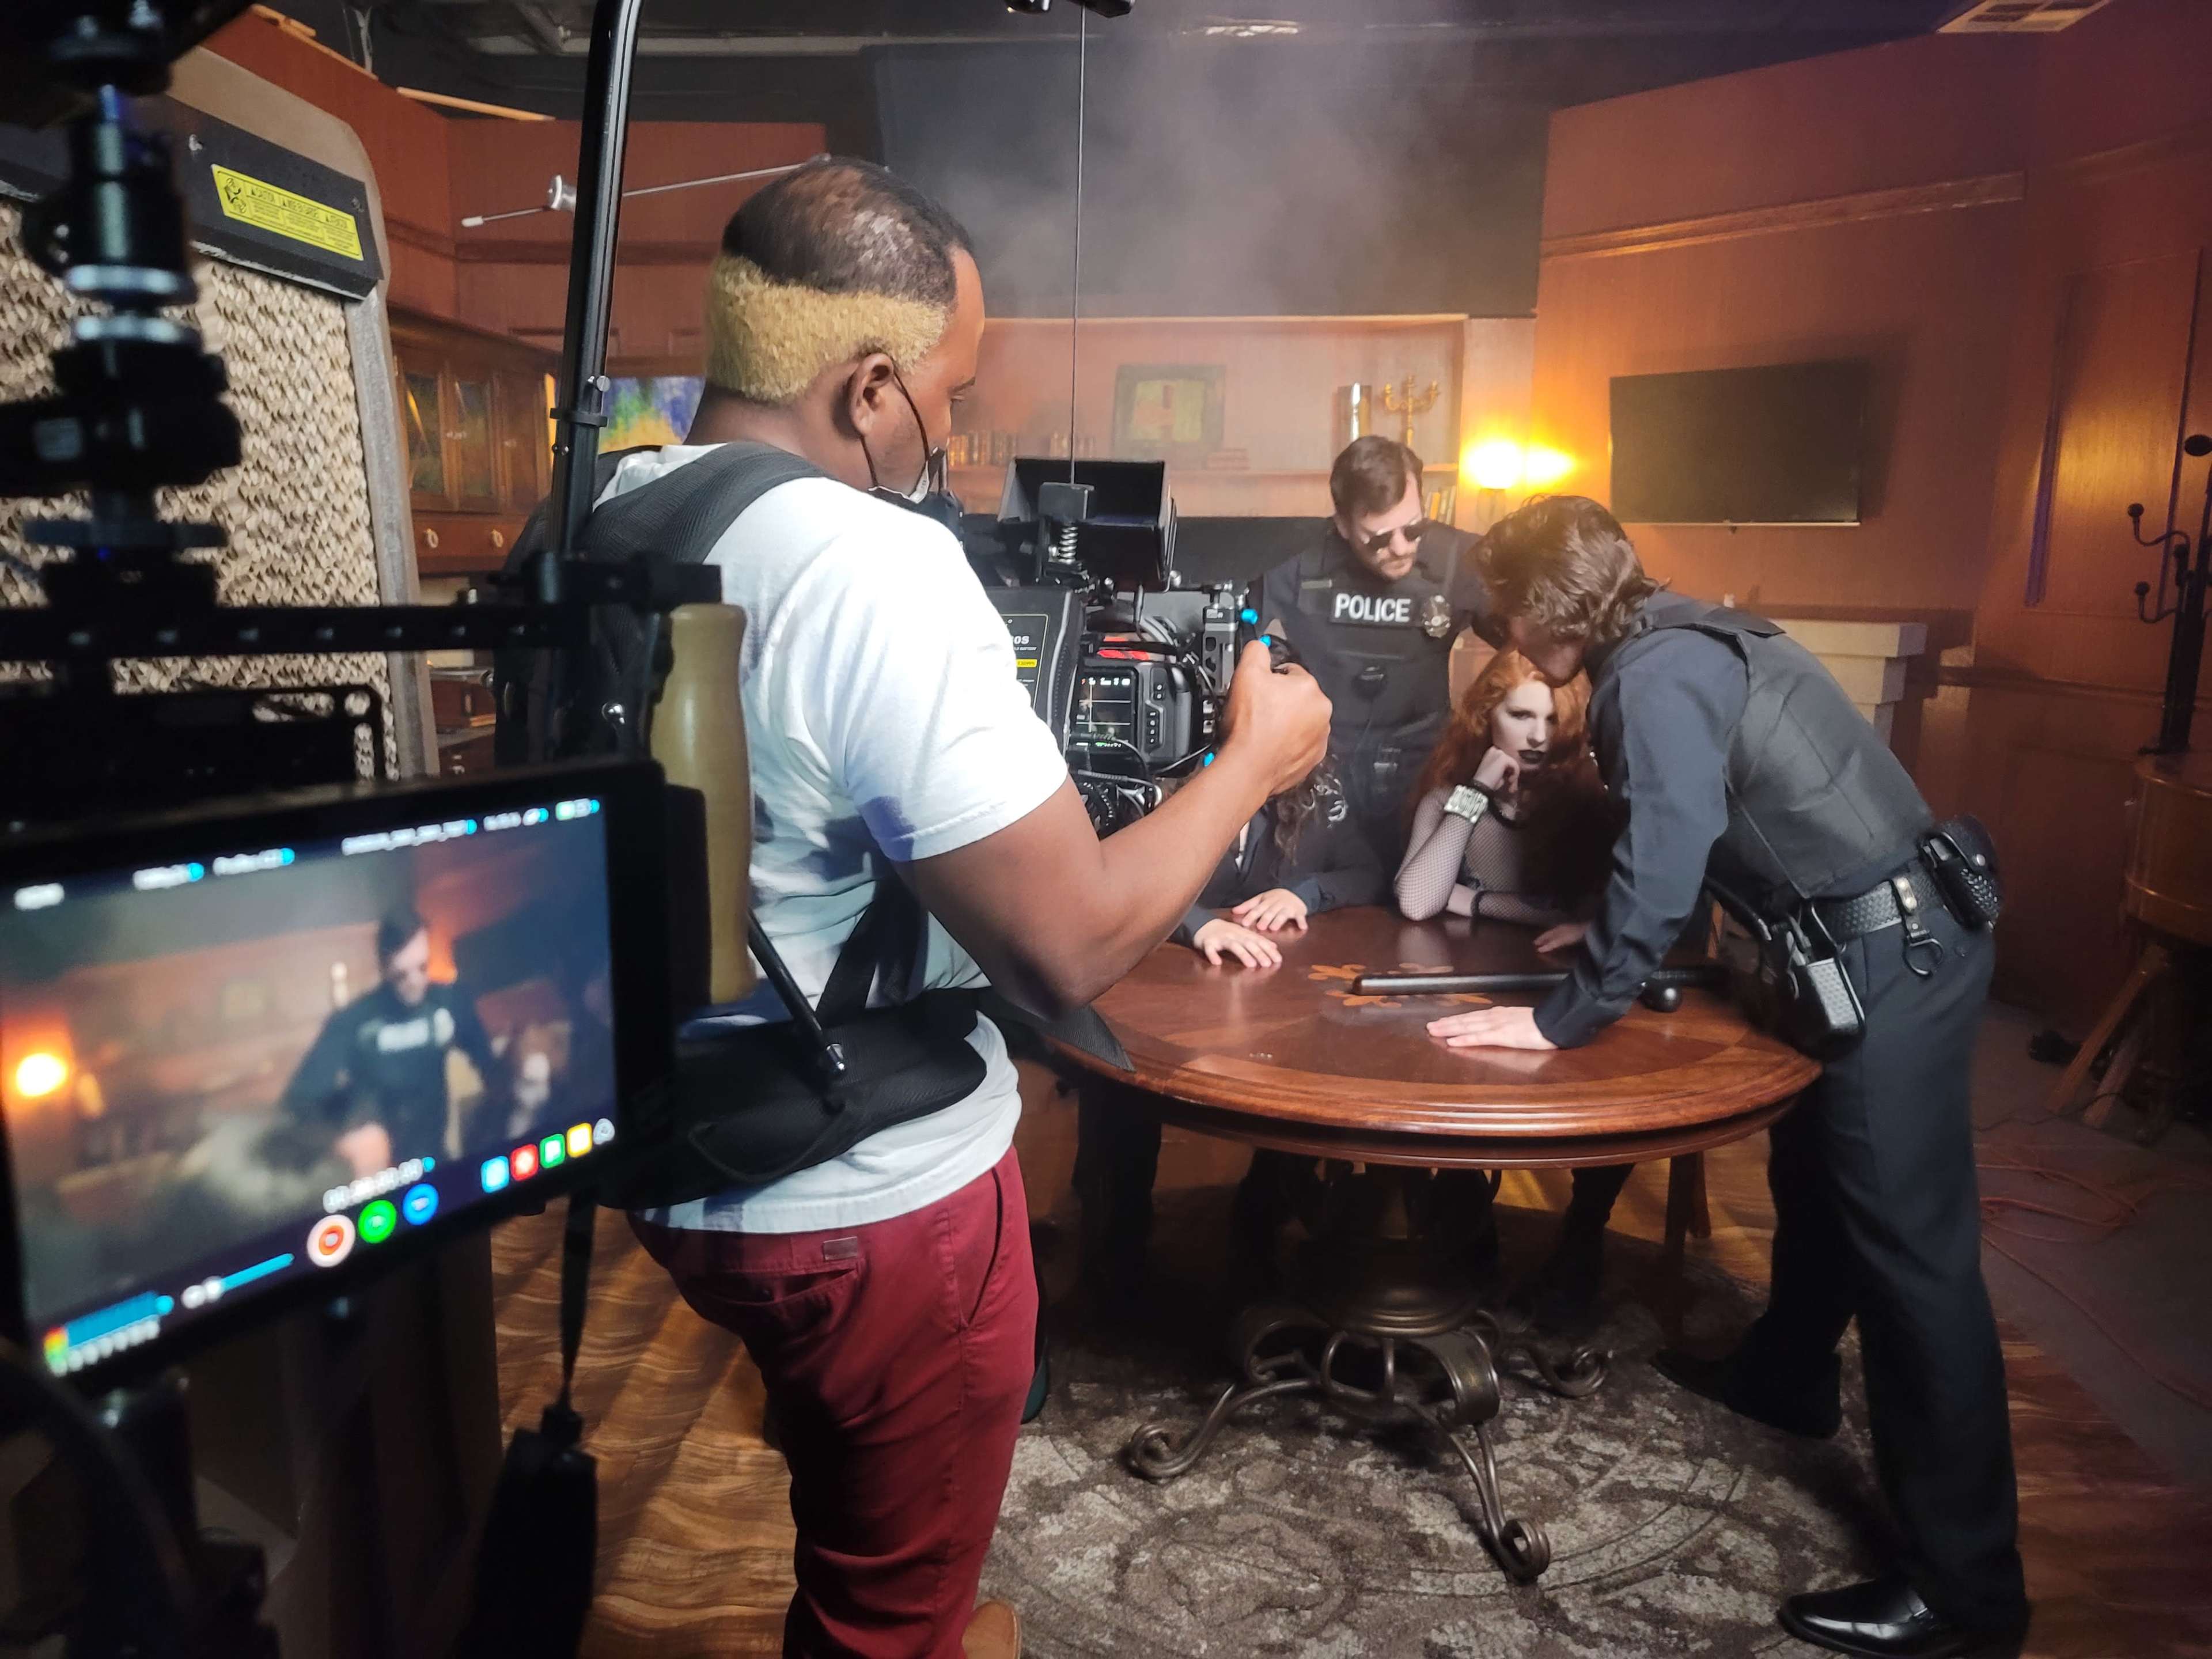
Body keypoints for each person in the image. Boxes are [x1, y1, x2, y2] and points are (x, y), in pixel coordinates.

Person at [617, 159, 1330, 1659]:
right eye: (954, 390)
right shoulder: (875, 565)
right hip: (873, 1206)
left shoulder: (617, 512)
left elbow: (785, 838)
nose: (958, 429)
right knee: (892, 1617)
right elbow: (1063, 940)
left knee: (858, 1526)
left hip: (688, 1162)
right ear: (872, 387)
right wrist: (1251, 759)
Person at [1426, 496, 2026, 1659]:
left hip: (1888, 962)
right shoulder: (1680, 637)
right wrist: (1609, 923)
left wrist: (1562, 1021)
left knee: (1917, 1268)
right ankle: (1790, 1376)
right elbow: (1709, 827)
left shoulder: (1653, 678)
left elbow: (1671, 846)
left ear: (1552, 610)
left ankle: (1970, 1595)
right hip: (1882, 944)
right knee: (1817, 1177)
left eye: (1510, 612)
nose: (1506, 634)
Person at [1074, 762, 1382, 1301]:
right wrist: (1197, 923)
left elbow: (1368, 871)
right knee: (1127, 1079)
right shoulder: (1153, 778)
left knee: (1305, 1066)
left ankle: (1262, 1216)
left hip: (1260, 994)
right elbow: (1102, 884)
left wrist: (1305, 894)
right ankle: (1116, 1243)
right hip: (1147, 986)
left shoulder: (1317, 791)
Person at [1395, 649, 1631, 1334]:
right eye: (1520, 714)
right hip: (1469, 981)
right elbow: (1416, 901)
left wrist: (1481, 903)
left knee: (1606, 1078)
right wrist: (1471, 798)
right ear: (1485, 715)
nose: (1536, 735)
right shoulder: (1452, 794)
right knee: (1435, 1059)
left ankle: (1584, 1233)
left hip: (1561, 986)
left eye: (1551, 720)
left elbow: (1590, 914)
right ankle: (1464, 1224)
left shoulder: (1588, 798)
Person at [1250, 435, 1501, 869]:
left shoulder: (1460, 560)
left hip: (1426, 765)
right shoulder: (1296, 564)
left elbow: (1529, 653)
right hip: (1321, 769)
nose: (1402, 547)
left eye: (1415, 529)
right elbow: (1234, 651)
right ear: (1343, 526)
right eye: (1379, 538)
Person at [277, 908, 507, 1177]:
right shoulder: (355, 1021)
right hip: (379, 1175)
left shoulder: (449, 1002)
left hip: (436, 1161)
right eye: (402, 974)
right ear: (384, 968)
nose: (415, 982)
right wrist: (342, 1140)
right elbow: (301, 1099)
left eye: (423, 968)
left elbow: (490, 1068)